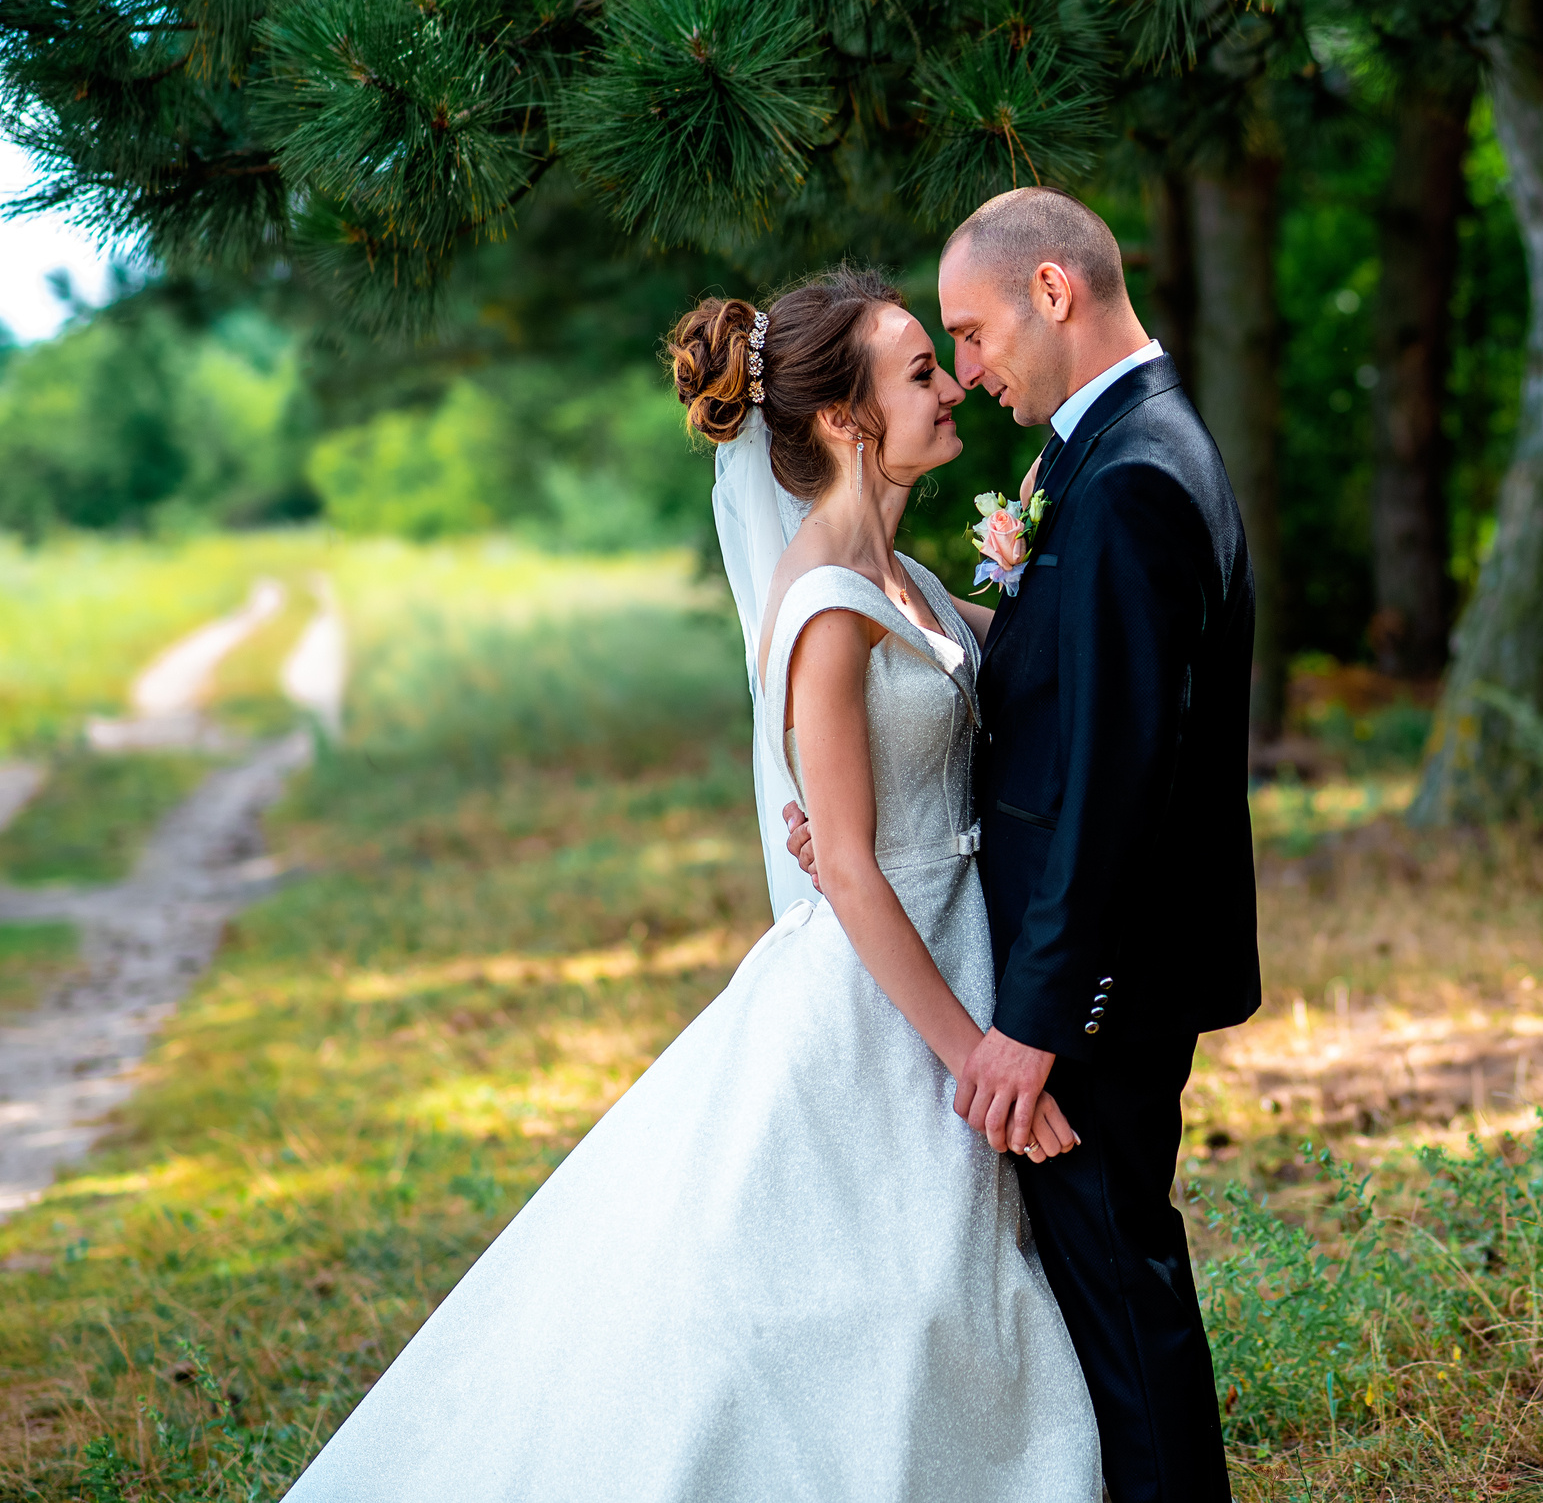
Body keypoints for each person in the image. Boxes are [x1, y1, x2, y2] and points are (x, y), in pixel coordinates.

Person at [283, 267, 1104, 1502]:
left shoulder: (912, 583)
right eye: (920, 371)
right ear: (843, 419)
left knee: (936, 1283)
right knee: (858, 1292)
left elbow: (1023, 680)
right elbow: (860, 877)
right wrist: (972, 1057)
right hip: (890, 994)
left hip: (960, 944)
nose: (952, 385)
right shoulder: (827, 606)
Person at [787, 186, 1260, 1503]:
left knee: (1123, 1296)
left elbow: (1117, 776)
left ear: (1053, 292)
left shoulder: (1136, 479)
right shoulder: (1089, 456)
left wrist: (1038, 1018)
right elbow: (1048, 692)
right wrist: (855, 793)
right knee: (1103, 1295)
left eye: (974, 334)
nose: (971, 371)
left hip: (1096, 980)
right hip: (1070, 956)